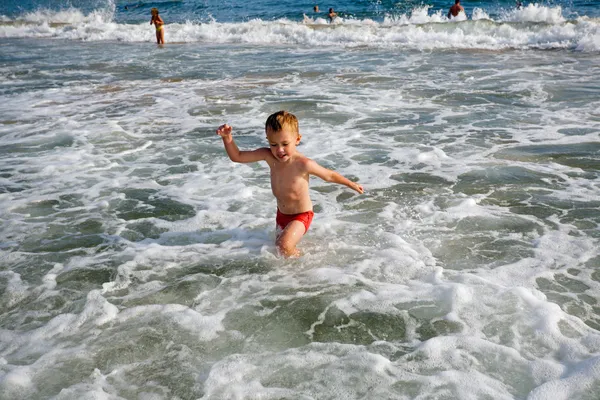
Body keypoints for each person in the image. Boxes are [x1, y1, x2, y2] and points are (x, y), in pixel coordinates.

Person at [216, 111, 364, 257]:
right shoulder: (268, 155)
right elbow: (238, 156)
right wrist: (227, 138)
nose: (279, 150)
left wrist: (351, 184)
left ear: (297, 139)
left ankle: (306, 269)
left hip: (302, 215)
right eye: (273, 144)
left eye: (285, 144)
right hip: (281, 214)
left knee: (283, 246)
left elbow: (329, 175)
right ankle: (287, 275)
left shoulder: (303, 164)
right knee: (279, 251)